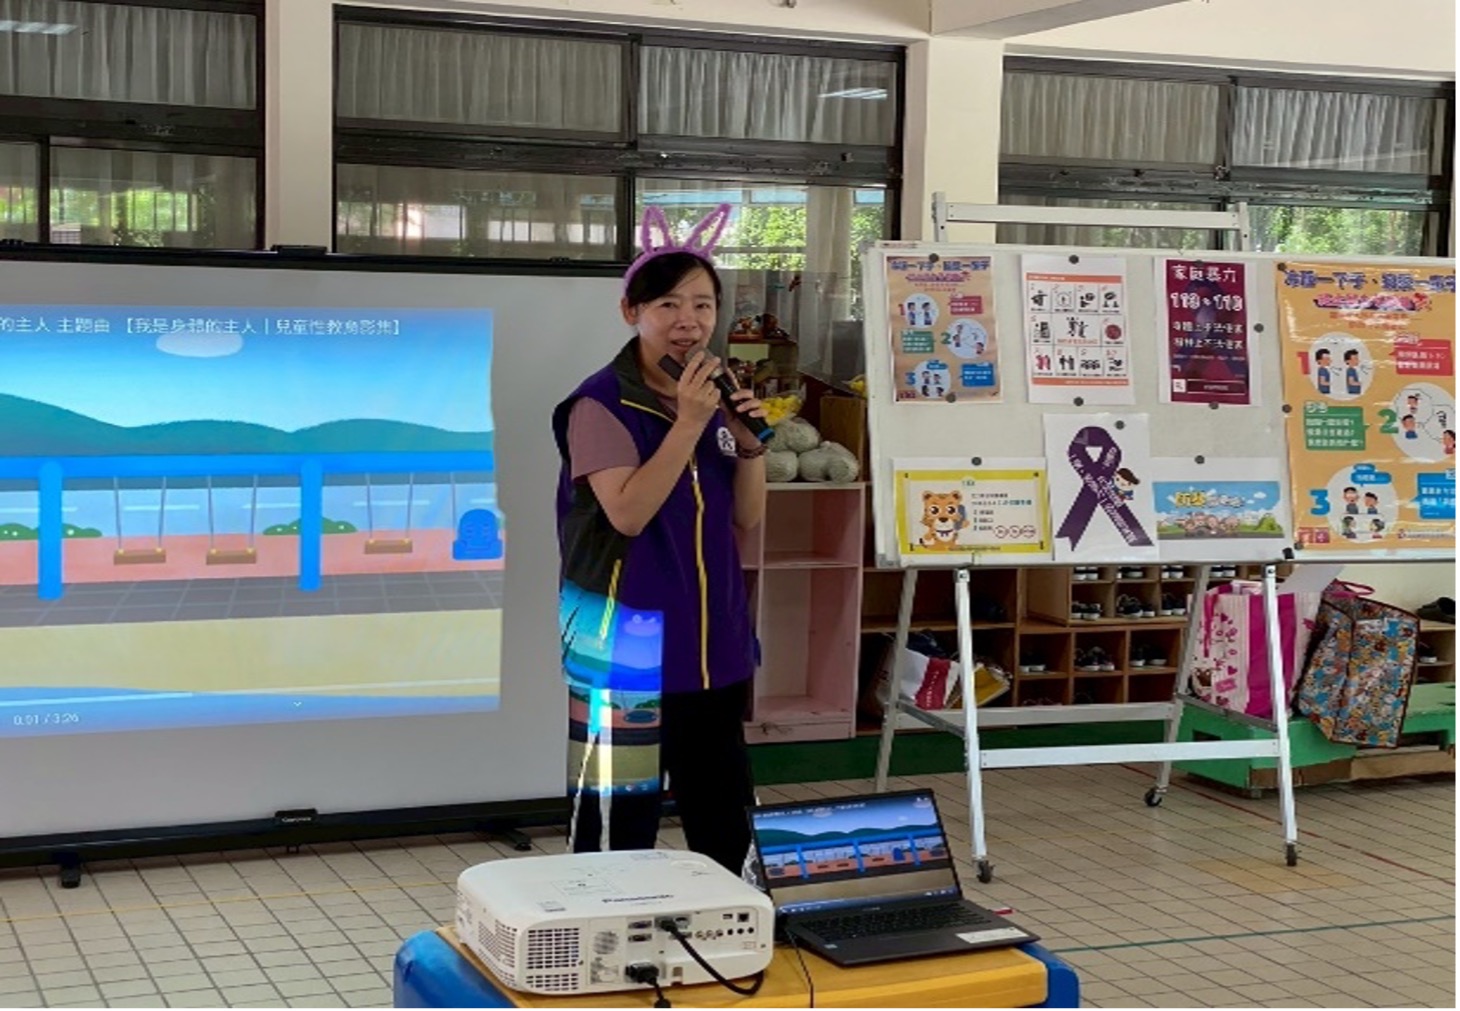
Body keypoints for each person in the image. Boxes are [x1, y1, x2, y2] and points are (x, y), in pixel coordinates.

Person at [551, 204, 768, 874]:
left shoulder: (710, 393)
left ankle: (724, 935)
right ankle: (607, 946)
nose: (689, 322)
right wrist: (689, 426)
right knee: (617, 824)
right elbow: (628, 514)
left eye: (703, 305)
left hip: (712, 637)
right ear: (630, 312)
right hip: (624, 641)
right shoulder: (600, 404)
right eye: (668, 304)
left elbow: (748, 518)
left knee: (722, 815)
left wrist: (751, 445)